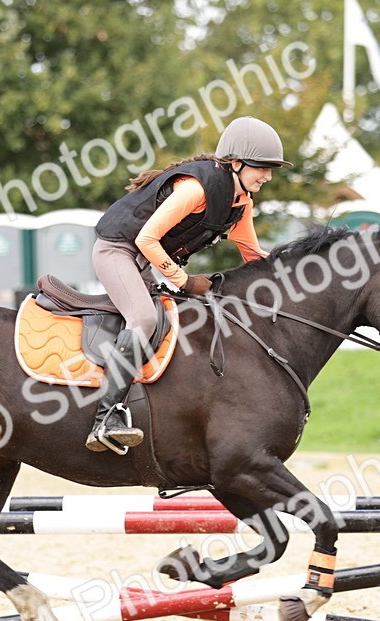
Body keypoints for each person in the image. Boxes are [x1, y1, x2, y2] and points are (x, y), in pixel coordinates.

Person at [85, 116, 291, 452]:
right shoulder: (196, 188)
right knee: (145, 319)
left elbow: (253, 255)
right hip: (118, 250)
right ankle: (105, 417)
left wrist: (292, 271)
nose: (268, 175)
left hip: (145, 259)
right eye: (261, 167)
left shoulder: (241, 203)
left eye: (271, 168)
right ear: (236, 163)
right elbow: (147, 238)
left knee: (184, 320)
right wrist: (185, 281)